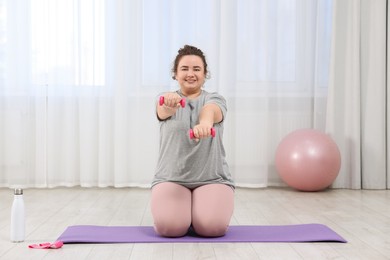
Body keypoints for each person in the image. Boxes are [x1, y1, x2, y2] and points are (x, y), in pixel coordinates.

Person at [151, 45, 235, 238]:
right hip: (171, 178)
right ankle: (183, 214)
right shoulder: (164, 99)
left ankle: (198, 213)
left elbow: (211, 111)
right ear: (175, 74)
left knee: (212, 228)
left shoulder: (215, 98)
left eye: (197, 69)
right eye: (184, 69)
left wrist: (204, 124)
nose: (191, 74)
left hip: (213, 178)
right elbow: (164, 110)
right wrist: (169, 103)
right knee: (169, 229)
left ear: (205, 74)